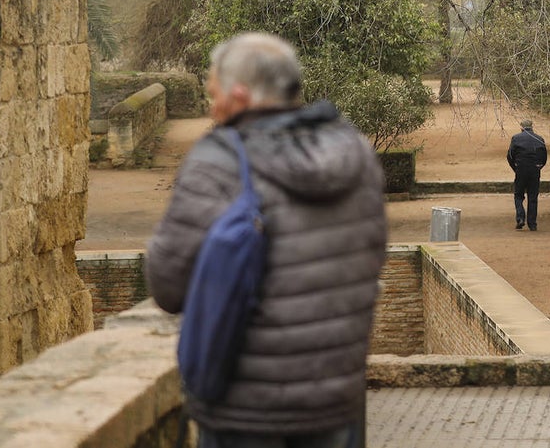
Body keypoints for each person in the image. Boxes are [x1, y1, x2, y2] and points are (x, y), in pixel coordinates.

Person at [145, 32, 387, 448]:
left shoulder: (217, 161)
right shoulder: (356, 153)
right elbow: (371, 258)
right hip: (334, 404)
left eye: (213, 92)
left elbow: (168, 286)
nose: (210, 104)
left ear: (239, 95)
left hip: (244, 413)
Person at [507, 118, 546, 231]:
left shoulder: (516, 138)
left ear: (521, 128)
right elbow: (544, 157)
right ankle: (532, 224)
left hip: (521, 169)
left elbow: (510, 156)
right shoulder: (539, 139)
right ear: (532, 127)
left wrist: (516, 168)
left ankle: (520, 218)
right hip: (535, 170)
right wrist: (539, 167)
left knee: (518, 195)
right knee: (533, 197)